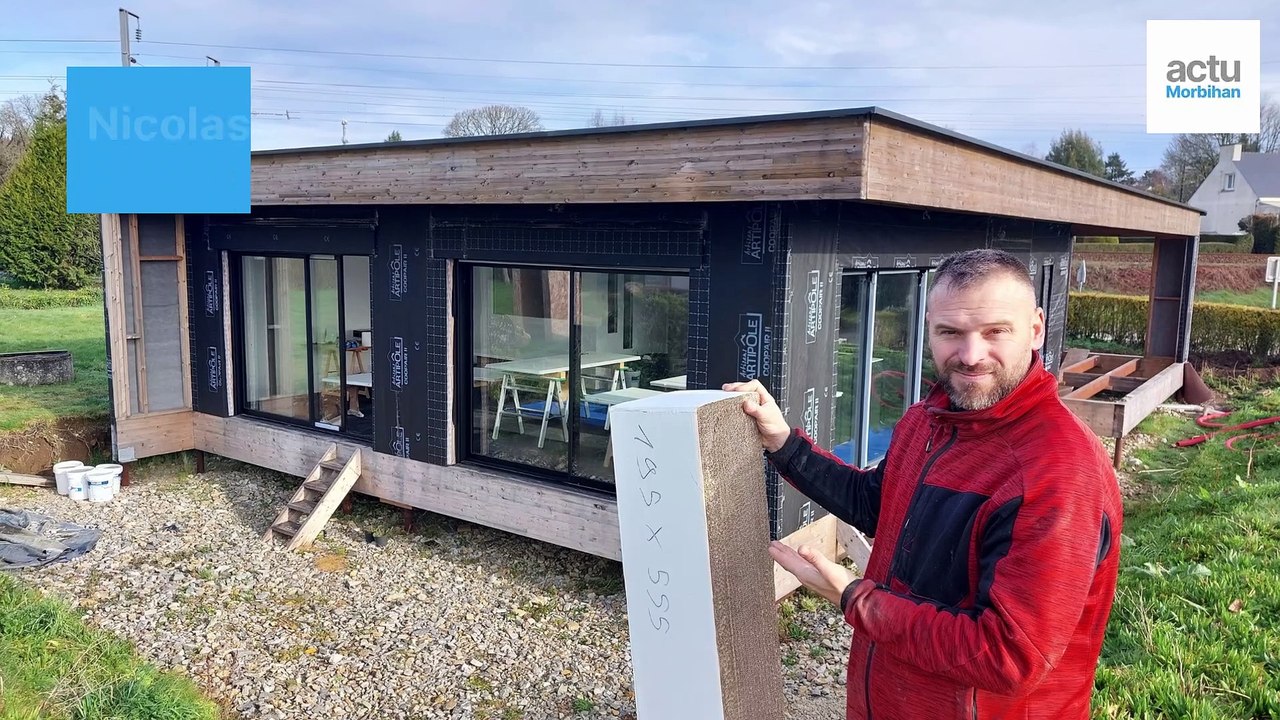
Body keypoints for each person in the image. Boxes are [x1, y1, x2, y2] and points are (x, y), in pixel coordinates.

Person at [724, 248, 1122, 720]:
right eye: (950, 332)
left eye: (995, 331)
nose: (971, 356)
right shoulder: (928, 421)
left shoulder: (1057, 470)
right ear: (928, 328)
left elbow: (1007, 655)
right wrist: (785, 443)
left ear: (1036, 328)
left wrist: (854, 598)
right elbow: (877, 506)